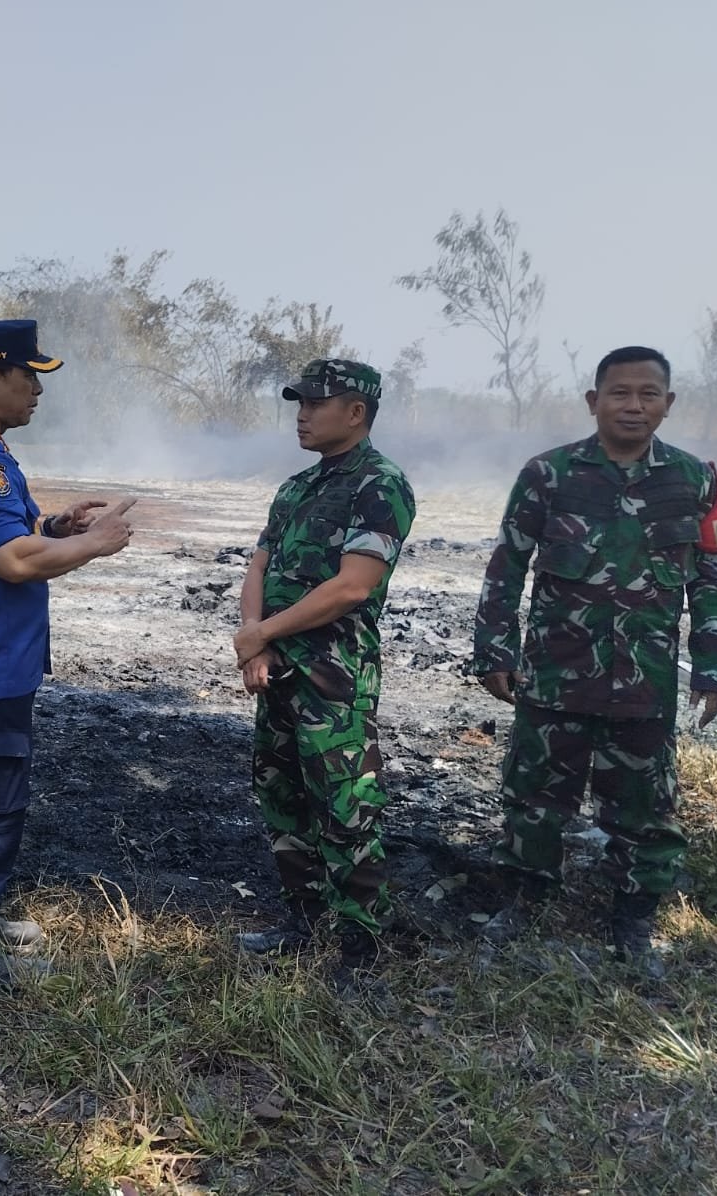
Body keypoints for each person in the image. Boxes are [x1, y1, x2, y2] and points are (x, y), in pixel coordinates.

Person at [472, 346, 717, 978]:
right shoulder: (548, 474)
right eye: (619, 392)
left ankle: (633, 918)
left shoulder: (697, 481)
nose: (633, 405)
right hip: (555, 674)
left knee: (645, 804)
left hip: (646, 681)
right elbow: (507, 566)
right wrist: (494, 649)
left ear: (668, 405)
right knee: (533, 797)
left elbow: (713, 581)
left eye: (648, 394)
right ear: (594, 401)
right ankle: (525, 899)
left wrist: (714, 667)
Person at [0, 320, 135, 993]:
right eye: (28, 375)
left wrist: (53, 528)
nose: (38, 390)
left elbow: (5, 535)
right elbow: (10, 561)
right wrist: (96, 543)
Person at [232, 359, 415, 989]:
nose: (302, 414)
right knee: (282, 792)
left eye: (316, 403)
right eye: (299, 404)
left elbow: (352, 588)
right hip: (278, 671)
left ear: (356, 412)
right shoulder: (295, 488)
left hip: (334, 678)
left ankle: (361, 943)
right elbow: (258, 567)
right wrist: (254, 645)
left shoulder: (380, 484)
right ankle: (302, 919)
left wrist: (262, 634)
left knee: (345, 804)